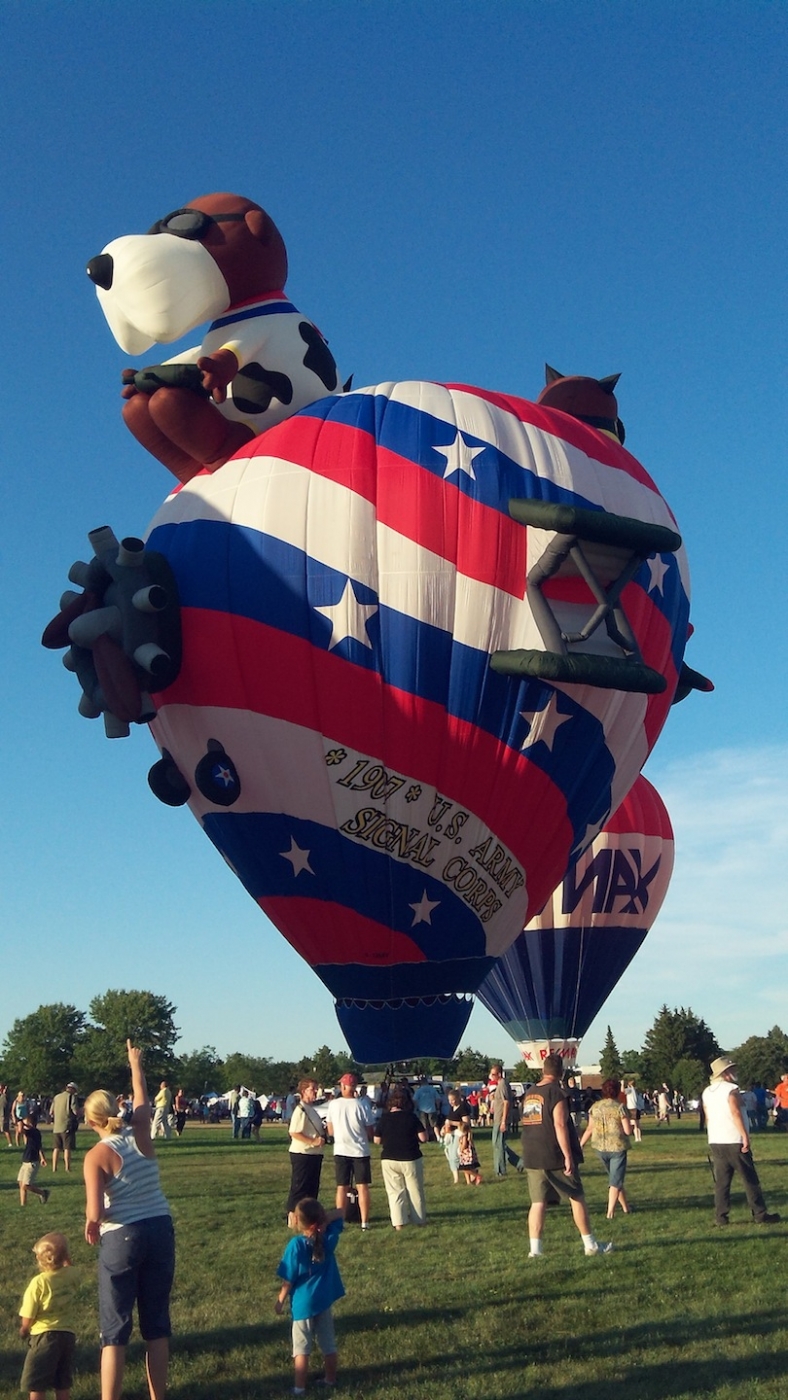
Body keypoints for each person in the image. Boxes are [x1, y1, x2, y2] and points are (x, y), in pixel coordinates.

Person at [83, 1040, 175, 1400]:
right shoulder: (141, 1135)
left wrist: (92, 1223)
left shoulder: (96, 1157)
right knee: (156, 1326)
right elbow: (141, 1099)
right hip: (160, 1229)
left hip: (123, 1237)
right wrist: (135, 1065)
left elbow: (95, 1213)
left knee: (115, 1330)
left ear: (91, 1121)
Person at [519, 1054, 612, 1257]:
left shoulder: (530, 1093)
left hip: (532, 1153)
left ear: (543, 1070)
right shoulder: (557, 1093)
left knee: (537, 1202)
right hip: (553, 1153)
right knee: (576, 1196)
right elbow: (559, 1124)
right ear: (561, 1072)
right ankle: (591, 1245)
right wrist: (568, 1155)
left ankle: (535, 1250)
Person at [276, 1198, 344, 1396]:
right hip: (323, 1301)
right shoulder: (329, 1239)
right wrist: (324, 1220)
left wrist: (280, 1300)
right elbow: (340, 1212)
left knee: (301, 1349)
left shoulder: (296, 1245)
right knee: (328, 1344)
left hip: (302, 1305)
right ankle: (330, 1379)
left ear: (297, 1220)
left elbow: (288, 1278)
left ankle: (299, 1387)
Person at [701, 1055, 779, 1228]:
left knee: (722, 1182)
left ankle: (721, 1216)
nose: (736, 1072)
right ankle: (760, 1213)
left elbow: (708, 1116)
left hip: (716, 1140)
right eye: (732, 1069)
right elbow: (735, 1112)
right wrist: (745, 1136)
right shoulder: (731, 1089)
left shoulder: (707, 1092)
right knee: (749, 1178)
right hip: (734, 1139)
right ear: (726, 1073)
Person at [18, 1232, 77, 1400]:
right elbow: (72, 1270)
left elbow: (30, 1311)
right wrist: (66, 1259)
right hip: (67, 1335)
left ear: (40, 1260)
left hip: (44, 1336)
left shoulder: (39, 1283)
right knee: (62, 1381)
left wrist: (24, 1327)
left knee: (37, 1382)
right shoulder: (71, 1275)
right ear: (65, 1256)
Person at [373, 1084, 428, 1228]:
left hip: (389, 1158)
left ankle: (398, 1223)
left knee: (395, 1192)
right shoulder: (411, 1117)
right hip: (410, 1157)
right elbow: (423, 1138)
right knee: (415, 1190)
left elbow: (377, 1140)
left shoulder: (384, 1119)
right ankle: (419, 1220)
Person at [580, 1078, 633, 1217]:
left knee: (615, 1178)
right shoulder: (620, 1108)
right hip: (617, 1147)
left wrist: (581, 1145)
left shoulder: (595, 1107)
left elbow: (590, 1128)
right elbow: (627, 1131)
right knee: (615, 1181)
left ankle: (626, 1208)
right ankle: (610, 1212)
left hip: (599, 1148)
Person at [326, 1074, 373, 1230]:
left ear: (344, 1086)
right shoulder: (362, 1105)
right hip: (360, 1150)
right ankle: (364, 1222)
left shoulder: (333, 1105)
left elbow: (330, 1131)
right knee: (362, 1187)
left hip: (341, 1150)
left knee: (342, 1187)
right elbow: (369, 1130)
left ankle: (340, 1221)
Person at [286, 1079, 326, 1225]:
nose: (315, 1092)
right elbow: (294, 1132)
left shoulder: (312, 1109)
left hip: (314, 1154)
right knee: (299, 1187)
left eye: (316, 1089)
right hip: (303, 1153)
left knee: (311, 1187)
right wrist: (312, 1141)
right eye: (312, 1089)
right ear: (303, 1092)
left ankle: (307, 1217)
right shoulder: (300, 1110)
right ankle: (292, 1219)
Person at [489, 1064, 517, 1177]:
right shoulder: (500, 1085)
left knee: (499, 1144)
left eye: (493, 1074)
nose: (492, 1077)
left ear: (499, 1074)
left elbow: (506, 1102)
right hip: (498, 1117)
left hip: (501, 1119)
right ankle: (518, 1162)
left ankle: (500, 1170)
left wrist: (504, 1121)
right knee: (497, 1144)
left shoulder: (503, 1084)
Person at [19, 1114, 50, 1207]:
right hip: (26, 1161)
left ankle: (43, 1193)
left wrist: (20, 1123)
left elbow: (21, 1130)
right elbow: (39, 1147)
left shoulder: (33, 1132)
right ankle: (23, 1205)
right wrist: (43, 1158)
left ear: (29, 1123)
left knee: (26, 1185)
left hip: (32, 1162)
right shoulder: (34, 1132)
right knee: (21, 1183)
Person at [440, 1089, 470, 1185]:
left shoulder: (462, 1109)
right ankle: (456, 1179)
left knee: (455, 1156)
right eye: (449, 1100)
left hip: (458, 1134)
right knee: (450, 1155)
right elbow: (448, 1120)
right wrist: (443, 1128)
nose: (451, 1102)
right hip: (450, 1134)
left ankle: (470, 1173)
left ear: (457, 1098)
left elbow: (466, 1123)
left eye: (453, 1100)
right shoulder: (451, 1109)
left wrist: (452, 1123)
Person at [51, 1083, 80, 1173]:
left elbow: (51, 1112)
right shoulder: (71, 1097)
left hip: (56, 1126)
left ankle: (54, 1167)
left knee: (56, 1148)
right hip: (67, 1125)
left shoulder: (57, 1097)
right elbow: (75, 1111)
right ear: (73, 1090)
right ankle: (67, 1167)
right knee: (67, 1148)